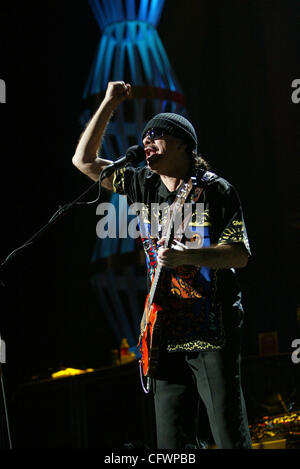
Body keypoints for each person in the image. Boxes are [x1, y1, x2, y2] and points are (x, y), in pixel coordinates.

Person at [72, 81, 253, 449]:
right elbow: (84, 162)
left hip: (212, 327)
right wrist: (108, 103)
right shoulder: (142, 183)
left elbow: (239, 253)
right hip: (164, 332)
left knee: (228, 435)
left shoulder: (216, 190)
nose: (147, 141)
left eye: (156, 134)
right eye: (144, 136)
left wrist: (189, 256)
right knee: (172, 444)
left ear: (184, 144)